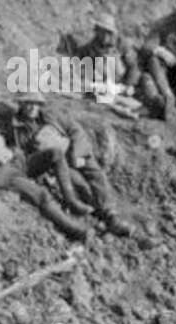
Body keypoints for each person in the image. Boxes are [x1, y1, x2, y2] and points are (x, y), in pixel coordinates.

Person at [0, 98, 90, 240]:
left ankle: (72, 201)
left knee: (55, 153)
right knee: (41, 194)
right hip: (3, 174)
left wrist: (11, 151)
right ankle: (75, 230)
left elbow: (2, 141)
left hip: (16, 163)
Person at [9, 92, 133, 236]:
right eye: (28, 103)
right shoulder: (16, 127)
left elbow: (76, 131)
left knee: (95, 173)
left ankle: (112, 217)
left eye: (35, 104)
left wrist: (76, 154)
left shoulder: (52, 115)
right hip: (53, 163)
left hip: (71, 151)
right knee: (78, 183)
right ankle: (95, 219)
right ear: (21, 105)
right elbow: (24, 155)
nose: (32, 107)